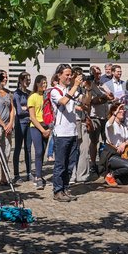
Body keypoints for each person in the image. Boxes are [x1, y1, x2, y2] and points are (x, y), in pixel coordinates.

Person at [48, 64, 83, 202]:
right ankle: (57, 191)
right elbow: (63, 101)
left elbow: (84, 101)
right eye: (67, 75)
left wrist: (88, 88)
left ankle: (65, 188)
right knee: (60, 164)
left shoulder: (71, 89)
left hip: (73, 131)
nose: (69, 77)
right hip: (61, 133)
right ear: (59, 75)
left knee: (70, 164)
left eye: (70, 75)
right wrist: (75, 86)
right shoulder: (54, 91)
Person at [101, 103, 128, 186]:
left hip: (120, 155)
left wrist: (124, 144)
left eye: (123, 110)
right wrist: (116, 112)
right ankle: (110, 175)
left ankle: (112, 177)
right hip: (111, 155)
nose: (122, 111)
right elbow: (109, 124)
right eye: (120, 110)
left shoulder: (123, 126)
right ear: (114, 112)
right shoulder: (110, 124)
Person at [25, 75, 50, 190]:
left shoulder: (46, 96)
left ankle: (39, 174)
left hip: (46, 126)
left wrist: (48, 128)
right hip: (36, 127)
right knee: (38, 151)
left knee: (43, 152)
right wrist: (42, 130)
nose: (44, 85)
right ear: (37, 84)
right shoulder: (32, 97)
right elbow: (32, 117)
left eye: (45, 83)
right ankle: (38, 177)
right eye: (42, 83)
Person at [10, 72, 32, 183]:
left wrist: (26, 108)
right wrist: (28, 109)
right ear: (20, 80)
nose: (28, 82)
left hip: (29, 123)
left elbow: (34, 109)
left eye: (29, 79)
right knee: (18, 148)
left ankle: (29, 172)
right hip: (20, 123)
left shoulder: (29, 93)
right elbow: (19, 111)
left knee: (28, 148)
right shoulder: (16, 94)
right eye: (26, 79)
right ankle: (16, 174)